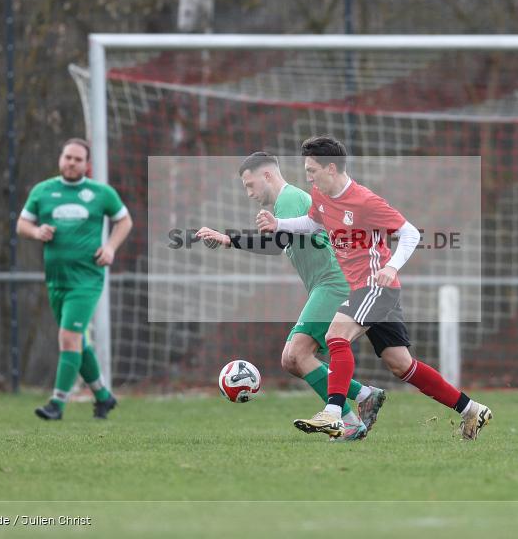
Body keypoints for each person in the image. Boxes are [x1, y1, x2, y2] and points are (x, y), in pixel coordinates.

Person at [256, 136, 492, 441]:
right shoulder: (321, 195)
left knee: (335, 336)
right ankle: (471, 409)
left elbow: (409, 234)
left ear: (331, 168)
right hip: (366, 290)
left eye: (312, 170)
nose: (308, 177)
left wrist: (391, 266)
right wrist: (279, 225)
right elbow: (314, 224)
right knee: (401, 365)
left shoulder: (365, 201)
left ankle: (333, 414)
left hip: (375, 286)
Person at [196, 152, 386, 441]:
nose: (249, 193)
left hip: (334, 283)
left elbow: (275, 245)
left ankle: (348, 420)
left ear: (267, 176)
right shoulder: (285, 203)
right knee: (291, 359)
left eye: (250, 185)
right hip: (326, 285)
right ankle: (363, 396)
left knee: (296, 354)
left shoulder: (290, 198)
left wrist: (228, 239)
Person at [17, 138, 133, 420]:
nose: (71, 162)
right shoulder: (43, 191)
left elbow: (125, 221)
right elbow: (22, 224)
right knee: (77, 339)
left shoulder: (100, 193)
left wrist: (109, 248)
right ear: (61, 158)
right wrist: (36, 232)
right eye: (67, 157)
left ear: (87, 165)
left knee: (68, 337)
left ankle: (57, 404)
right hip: (56, 279)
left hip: (87, 278)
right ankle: (104, 398)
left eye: (77, 159)